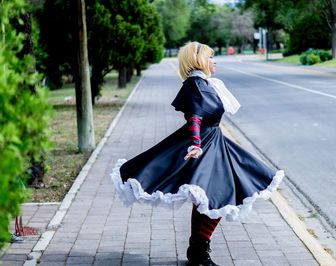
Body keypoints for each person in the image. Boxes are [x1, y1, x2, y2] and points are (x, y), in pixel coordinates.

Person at [111, 41, 284, 266]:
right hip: (203, 146)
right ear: (198, 60)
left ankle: (198, 252)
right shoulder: (196, 85)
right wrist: (195, 143)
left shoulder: (204, 83)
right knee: (217, 197)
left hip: (214, 143)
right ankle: (199, 254)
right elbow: (195, 116)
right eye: (210, 57)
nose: (214, 61)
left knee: (211, 198)